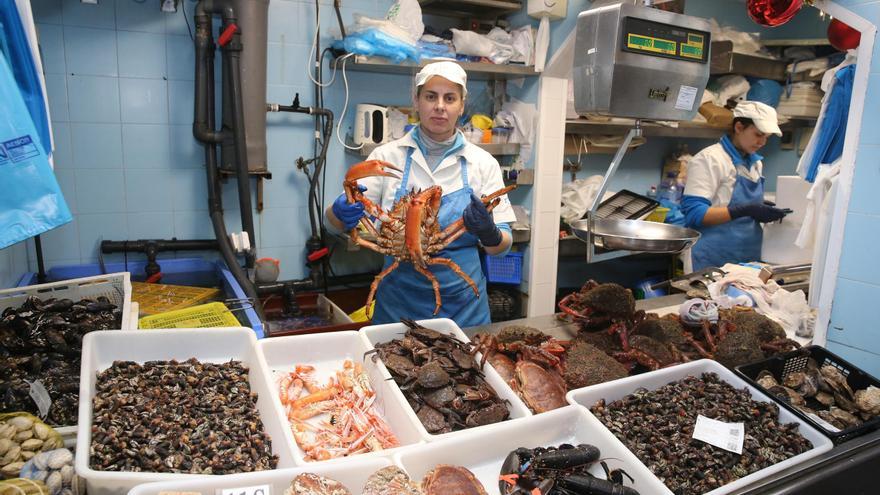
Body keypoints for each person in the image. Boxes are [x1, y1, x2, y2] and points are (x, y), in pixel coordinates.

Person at [325, 61, 515, 327]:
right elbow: (332, 225)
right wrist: (339, 212)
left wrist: (490, 233)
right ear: (416, 100)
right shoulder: (386, 156)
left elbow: (501, 247)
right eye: (430, 96)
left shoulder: (483, 163)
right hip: (397, 306)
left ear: (461, 105)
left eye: (450, 98)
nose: (440, 106)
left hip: (463, 309)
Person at [681, 101, 790, 271]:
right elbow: (695, 214)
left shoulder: (755, 163)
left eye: (766, 137)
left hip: (748, 259)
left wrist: (759, 210)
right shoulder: (710, 159)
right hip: (712, 260)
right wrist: (745, 210)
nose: (762, 142)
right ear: (739, 127)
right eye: (758, 134)